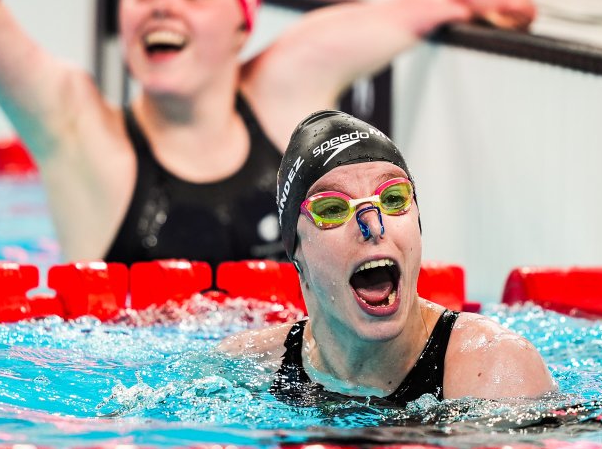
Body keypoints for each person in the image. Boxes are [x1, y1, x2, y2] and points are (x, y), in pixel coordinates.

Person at [0, 0, 536, 265]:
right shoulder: (89, 143)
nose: (163, 5)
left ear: (243, 26)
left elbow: (422, 10)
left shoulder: (279, 95)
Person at [219, 110, 556, 406]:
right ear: (296, 252)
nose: (372, 226)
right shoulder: (246, 367)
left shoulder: (495, 372)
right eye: (333, 208)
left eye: (393, 198)